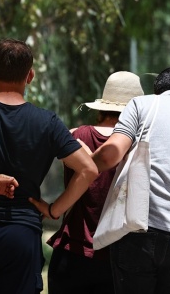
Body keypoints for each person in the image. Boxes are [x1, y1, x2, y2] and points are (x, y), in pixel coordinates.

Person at [0, 38, 98, 294]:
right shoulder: (47, 122)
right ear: (31, 76)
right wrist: (54, 210)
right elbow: (88, 169)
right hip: (22, 234)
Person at [90, 66, 170, 294]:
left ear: (157, 91)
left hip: (138, 230)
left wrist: (83, 163)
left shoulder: (143, 104)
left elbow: (111, 154)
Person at [46, 71, 144, 294]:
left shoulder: (75, 137)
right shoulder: (141, 146)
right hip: (117, 259)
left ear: (101, 107)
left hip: (72, 252)